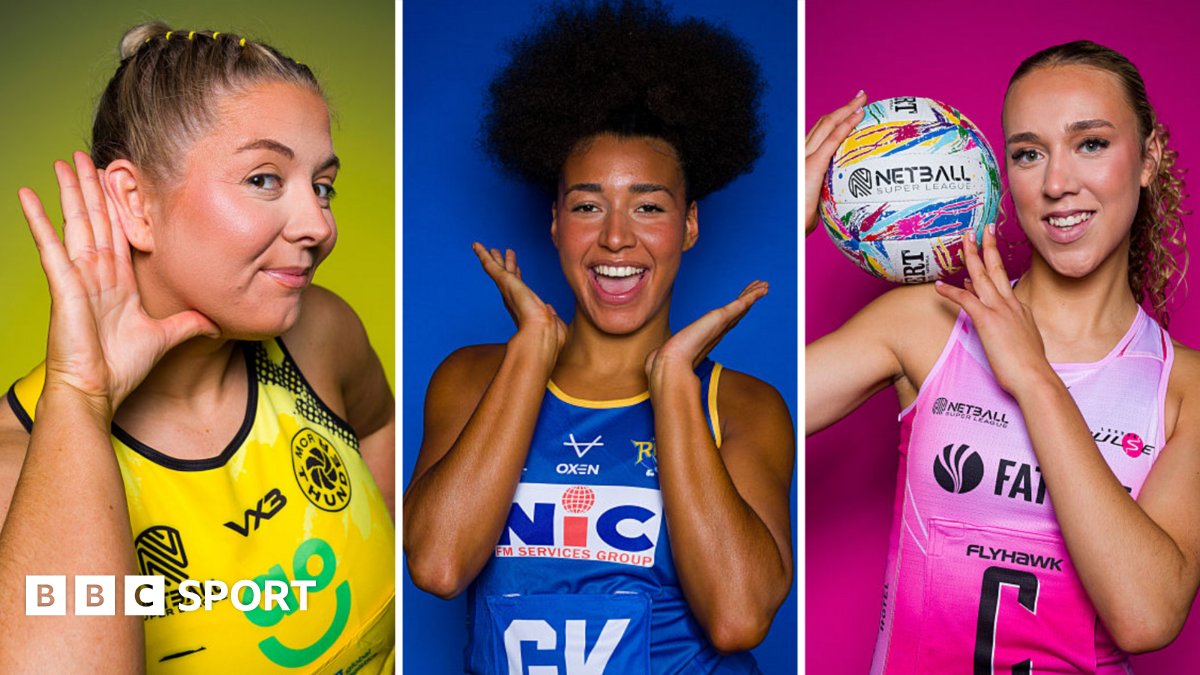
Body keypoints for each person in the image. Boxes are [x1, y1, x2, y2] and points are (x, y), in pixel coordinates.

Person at [401, 1, 795, 672]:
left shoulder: (742, 406)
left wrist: (673, 381)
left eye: (648, 206)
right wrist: (530, 349)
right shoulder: (470, 378)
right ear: (555, 222)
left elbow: (737, 617)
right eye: (587, 205)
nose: (616, 236)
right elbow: (439, 564)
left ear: (690, 225)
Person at [0, 23, 395, 673]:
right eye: (265, 179)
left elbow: (378, 425)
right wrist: (78, 398)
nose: (319, 226)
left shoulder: (321, 333)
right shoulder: (19, 471)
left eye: (322, 186)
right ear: (134, 202)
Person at [806, 40, 1200, 673]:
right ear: (1000, 172)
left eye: (1091, 143)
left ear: (1149, 157)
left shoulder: (1185, 389)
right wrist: (788, 231)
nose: (1056, 184)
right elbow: (717, 409)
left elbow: (1146, 615)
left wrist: (1035, 380)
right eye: (1028, 153)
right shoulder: (929, 323)